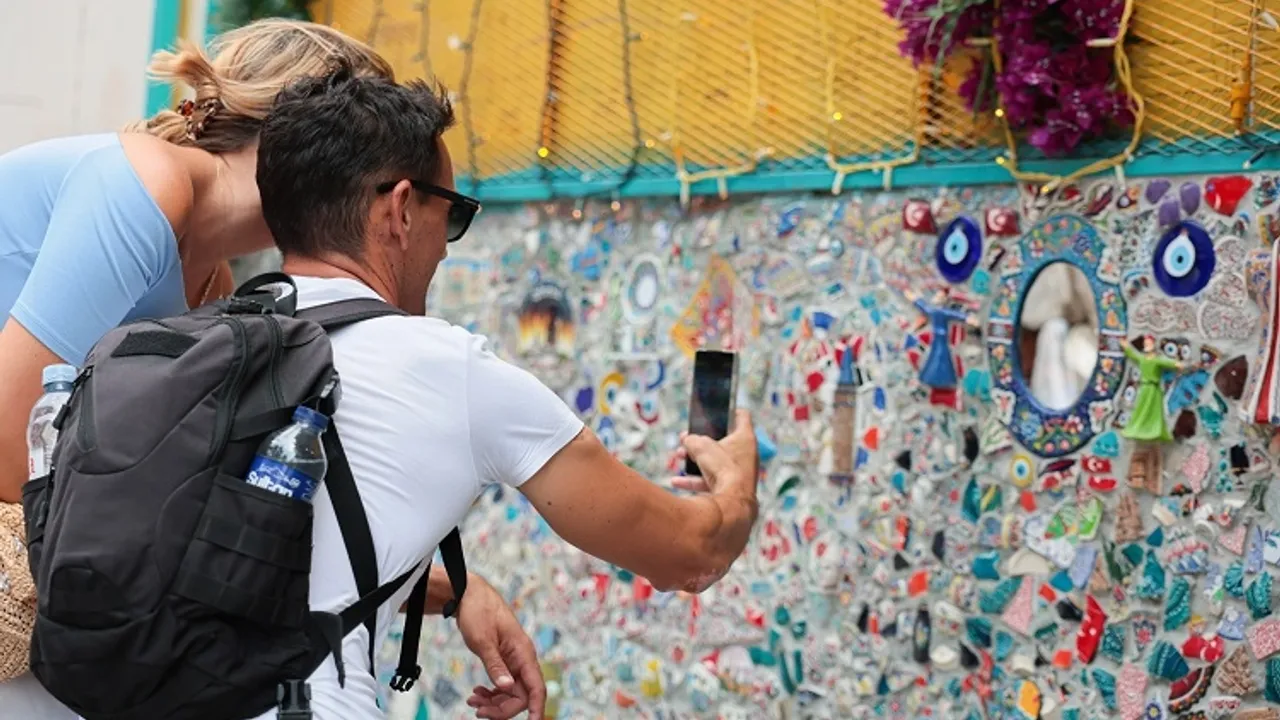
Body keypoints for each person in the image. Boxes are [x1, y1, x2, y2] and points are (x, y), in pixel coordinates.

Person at [0, 20, 541, 720]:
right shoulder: (146, 187)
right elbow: (13, 454)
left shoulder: (211, 279)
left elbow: (195, 506)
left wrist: (447, 588)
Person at [249, 67, 760, 720]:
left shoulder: (206, 349)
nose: (444, 247)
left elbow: (260, 564)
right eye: (452, 213)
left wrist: (458, 590)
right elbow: (688, 555)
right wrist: (736, 490)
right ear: (400, 210)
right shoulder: (446, 369)